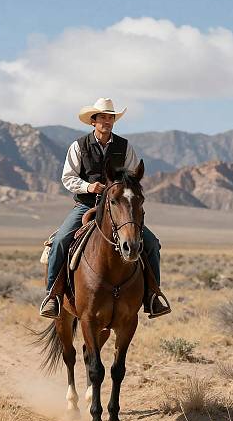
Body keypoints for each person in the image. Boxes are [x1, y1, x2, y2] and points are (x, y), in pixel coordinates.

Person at [39, 97, 171, 319]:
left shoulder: (124, 146)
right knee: (61, 241)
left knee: (151, 243)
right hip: (86, 205)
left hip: (118, 208)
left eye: (110, 118)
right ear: (93, 121)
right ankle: (52, 296)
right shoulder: (78, 146)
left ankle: (153, 296)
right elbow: (68, 177)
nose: (107, 121)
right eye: (102, 117)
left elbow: (132, 176)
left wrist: (123, 189)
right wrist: (89, 186)